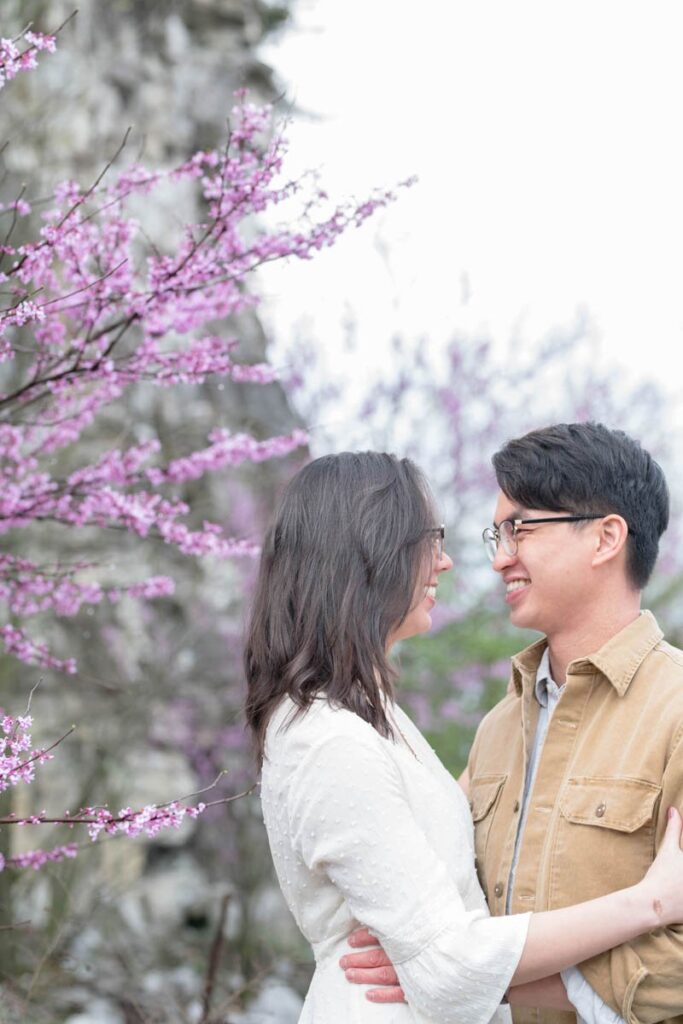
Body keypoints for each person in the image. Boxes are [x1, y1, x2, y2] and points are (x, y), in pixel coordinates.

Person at [245, 449, 683, 1024]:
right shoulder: (496, 728)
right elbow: (445, 955)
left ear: (605, 540)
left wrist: (468, 974)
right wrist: (441, 966)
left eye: (519, 530)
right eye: (495, 534)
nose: (496, 559)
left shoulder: (673, 710)